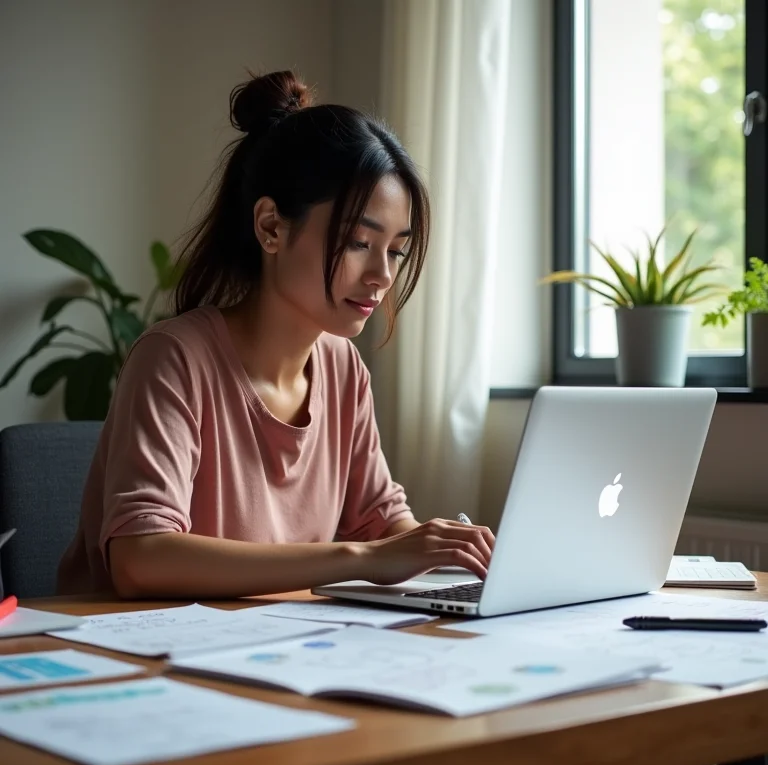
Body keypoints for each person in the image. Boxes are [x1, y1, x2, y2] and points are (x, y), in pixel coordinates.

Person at [56, 70, 494, 599]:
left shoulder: (343, 368)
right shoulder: (175, 358)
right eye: (359, 242)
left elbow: (383, 525)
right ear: (270, 227)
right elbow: (141, 557)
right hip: (133, 657)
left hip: (276, 652)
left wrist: (454, 554)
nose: (382, 274)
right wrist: (364, 557)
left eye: (396, 250)